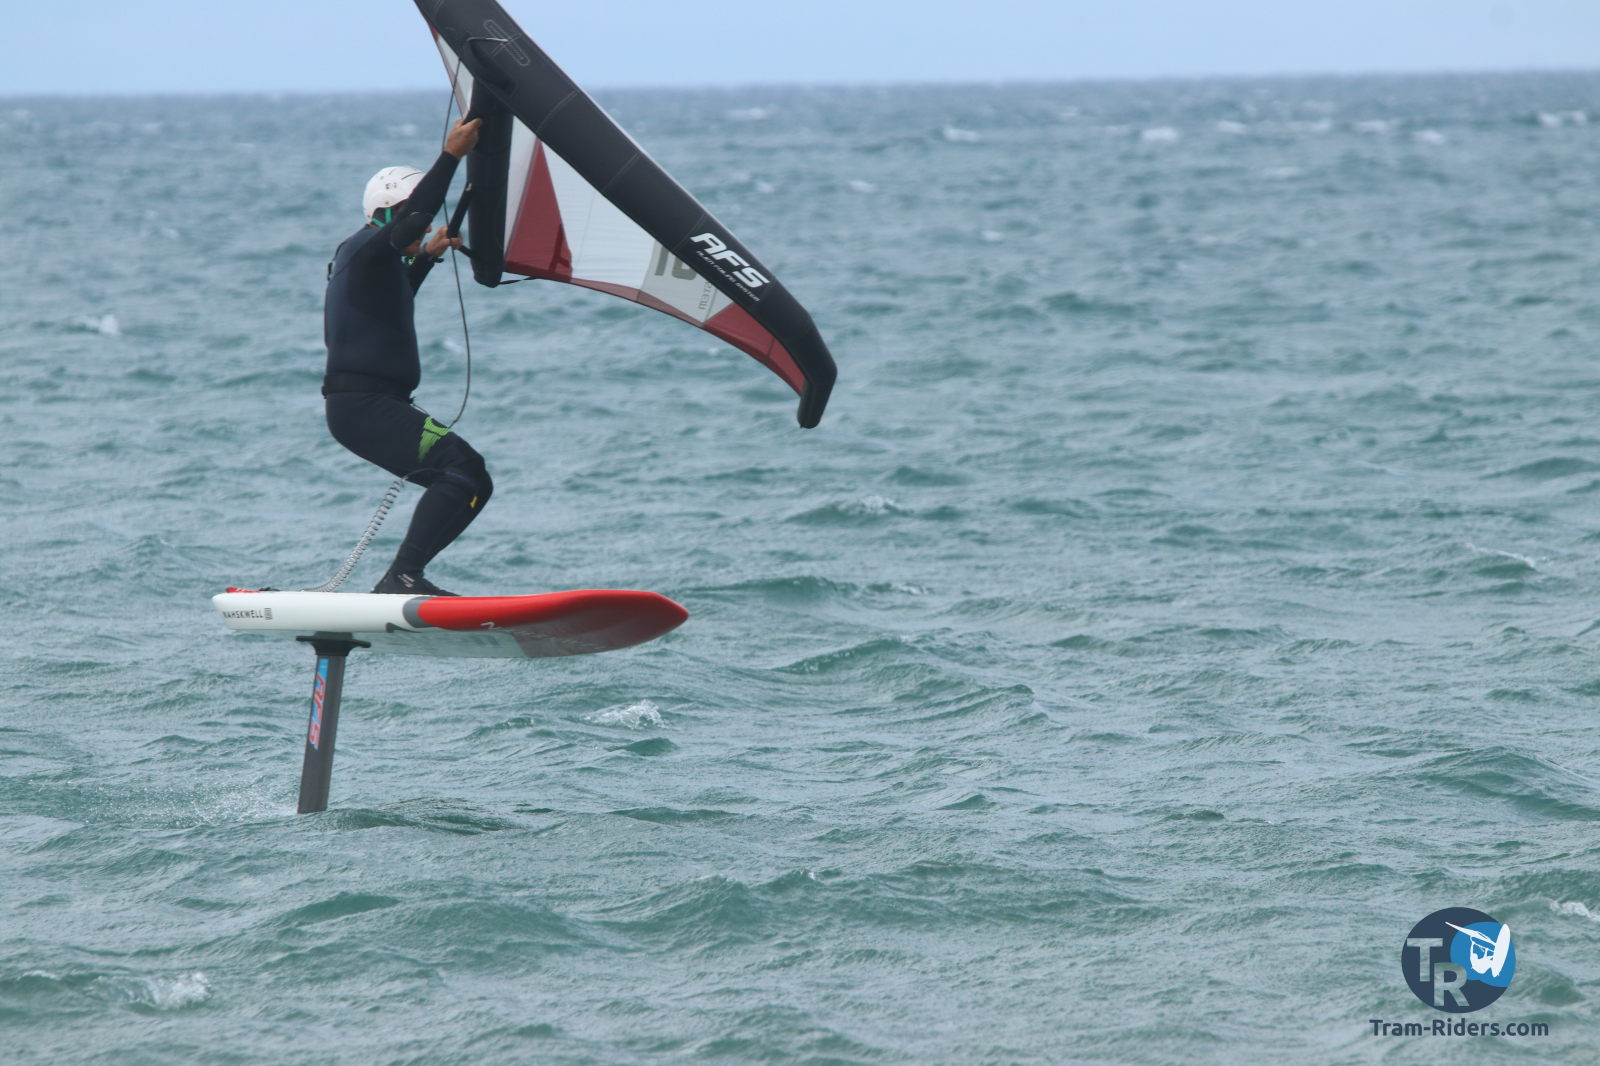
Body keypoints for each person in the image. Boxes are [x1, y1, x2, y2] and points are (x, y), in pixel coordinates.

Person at [322, 117, 488, 596]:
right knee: (462, 469)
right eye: (413, 215)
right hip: (363, 407)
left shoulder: (375, 262)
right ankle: (402, 577)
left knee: (472, 478)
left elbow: (392, 300)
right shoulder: (363, 247)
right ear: (389, 213)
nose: (428, 224)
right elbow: (414, 220)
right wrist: (452, 154)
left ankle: (404, 576)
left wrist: (428, 256)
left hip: (374, 406)